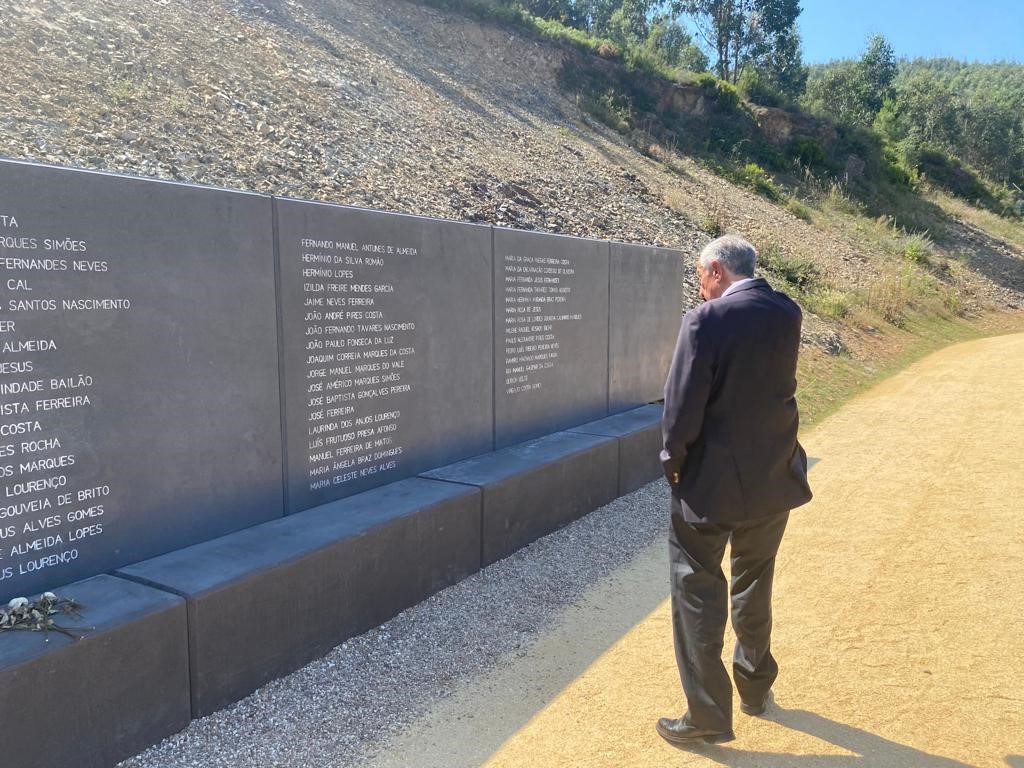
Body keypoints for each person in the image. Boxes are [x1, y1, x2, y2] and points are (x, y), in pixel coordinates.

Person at [657, 234, 813, 745]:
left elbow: (681, 410)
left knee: (696, 591)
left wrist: (672, 465)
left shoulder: (707, 320)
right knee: (754, 582)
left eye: (701, 276)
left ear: (717, 271)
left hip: (710, 486)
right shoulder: (786, 312)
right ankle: (754, 687)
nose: (700, 286)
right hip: (773, 478)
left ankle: (706, 715)